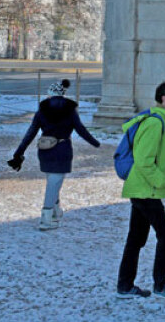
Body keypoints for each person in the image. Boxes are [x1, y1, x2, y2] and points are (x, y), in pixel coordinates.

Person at [116, 80, 165, 300]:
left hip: (143, 188)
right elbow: (144, 162)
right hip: (145, 189)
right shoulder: (155, 123)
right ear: (164, 99)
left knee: (136, 239)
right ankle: (160, 285)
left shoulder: (162, 121)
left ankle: (125, 286)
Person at [9, 79, 101, 230]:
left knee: (53, 181)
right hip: (63, 148)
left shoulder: (41, 111)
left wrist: (19, 152)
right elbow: (80, 130)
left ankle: (55, 212)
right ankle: (46, 219)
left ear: (50, 94)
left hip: (45, 149)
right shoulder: (70, 111)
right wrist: (95, 143)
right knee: (55, 182)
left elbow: (30, 133)